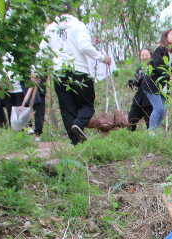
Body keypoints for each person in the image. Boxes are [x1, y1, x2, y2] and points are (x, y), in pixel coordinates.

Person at [38, 2, 111, 145]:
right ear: (71, 10)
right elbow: (84, 46)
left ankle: (75, 142)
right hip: (79, 71)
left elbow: (42, 53)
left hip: (59, 73)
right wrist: (102, 57)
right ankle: (78, 124)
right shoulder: (77, 25)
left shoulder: (50, 29)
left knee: (67, 109)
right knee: (87, 105)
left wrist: (36, 71)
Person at [141, 30, 172, 131]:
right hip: (152, 84)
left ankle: (155, 135)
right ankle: (151, 134)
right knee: (158, 109)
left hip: (162, 86)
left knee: (162, 111)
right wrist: (169, 75)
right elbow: (158, 65)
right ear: (165, 37)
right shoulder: (159, 50)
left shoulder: (170, 53)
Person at [127, 48, 154, 131]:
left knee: (150, 124)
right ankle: (131, 140)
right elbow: (138, 86)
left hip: (149, 100)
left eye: (146, 55)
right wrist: (135, 83)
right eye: (142, 55)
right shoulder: (139, 70)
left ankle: (151, 141)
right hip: (138, 99)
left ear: (151, 56)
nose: (144, 57)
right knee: (131, 121)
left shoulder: (154, 69)